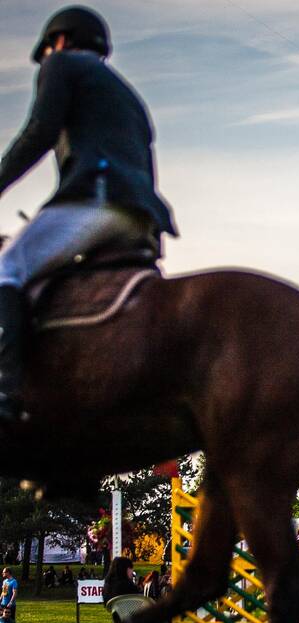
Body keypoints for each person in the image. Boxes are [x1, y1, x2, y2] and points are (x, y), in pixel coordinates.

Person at [0, 5, 177, 426]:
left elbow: (39, 132)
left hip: (98, 202)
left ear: (58, 41)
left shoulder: (62, 64)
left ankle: (4, 392)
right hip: (141, 218)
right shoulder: (125, 93)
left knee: (6, 267)